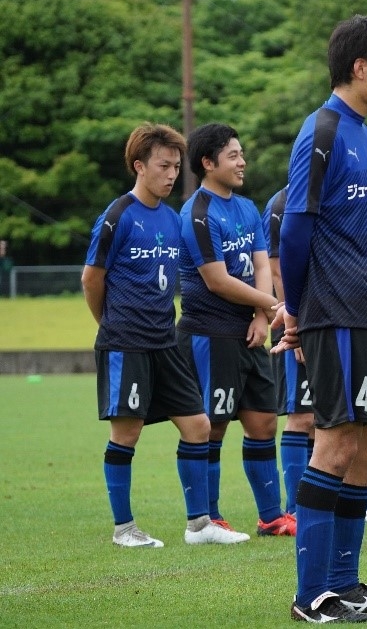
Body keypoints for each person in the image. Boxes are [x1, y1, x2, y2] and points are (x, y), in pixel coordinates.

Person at [277, 15, 367, 623]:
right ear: (361, 68)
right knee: (333, 442)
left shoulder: (362, 134)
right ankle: (311, 597)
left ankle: (345, 581)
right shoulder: (324, 130)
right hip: (335, 310)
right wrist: (297, 310)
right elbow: (297, 229)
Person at [82, 122, 246, 548]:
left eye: (176, 166)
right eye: (163, 166)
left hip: (166, 341)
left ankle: (199, 525)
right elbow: (91, 279)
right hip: (127, 342)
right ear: (139, 166)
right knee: (128, 432)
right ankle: (124, 529)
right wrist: (110, 325)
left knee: (198, 425)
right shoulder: (118, 216)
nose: (172, 174)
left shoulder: (175, 221)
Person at [178, 123, 295, 540]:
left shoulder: (247, 207)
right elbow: (216, 279)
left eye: (241, 153)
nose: (242, 161)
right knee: (212, 426)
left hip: (250, 331)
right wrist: (269, 305)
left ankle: (271, 517)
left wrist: (262, 317)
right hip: (210, 333)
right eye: (232, 155)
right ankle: (208, 519)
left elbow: (263, 264)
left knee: (264, 421)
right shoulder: (196, 213)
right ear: (208, 164)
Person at [261, 186, 313, 518]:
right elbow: (277, 269)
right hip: (300, 321)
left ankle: (315, 504)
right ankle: (296, 510)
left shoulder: (327, 194)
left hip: (331, 321)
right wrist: (296, 324)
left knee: (325, 418)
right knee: (302, 415)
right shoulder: (282, 203)